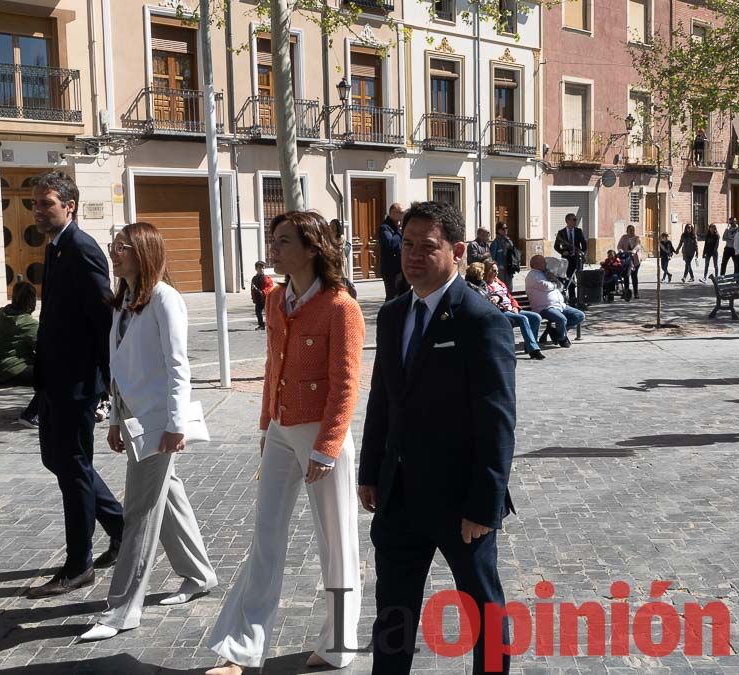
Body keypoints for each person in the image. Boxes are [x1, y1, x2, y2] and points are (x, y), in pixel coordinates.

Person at [359, 200, 516, 675]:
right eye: (407, 245)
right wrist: (370, 472)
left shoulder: (480, 320)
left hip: (460, 502)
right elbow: (382, 400)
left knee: (483, 611)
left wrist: (484, 504)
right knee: (393, 614)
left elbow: (497, 419)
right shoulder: (391, 315)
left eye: (428, 247)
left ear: (458, 250)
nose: (413, 256)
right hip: (399, 496)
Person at [208, 211, 364, 674]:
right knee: (266, 537)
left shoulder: (340, 305)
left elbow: (346, 383)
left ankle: (339, 643)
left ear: (312, 248)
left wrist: (328, 446)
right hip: (279, 429)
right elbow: (272, 367)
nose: (273, 250)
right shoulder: (277, 300)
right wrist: (264, 425)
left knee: (337, 543)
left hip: (322, 436)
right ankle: (239, 650)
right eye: (273, 242)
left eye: (282, 242)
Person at [78, 221, 217, 642]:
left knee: (137, 513)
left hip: (159, 423)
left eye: (122, 247)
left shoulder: (164, 299)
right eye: (114, 246)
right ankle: (198, 574)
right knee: (165, 499)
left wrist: (175, 425)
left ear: (144, 252)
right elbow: (119, 367)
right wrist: (117, 420)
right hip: (136, 420)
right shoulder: (124, 301)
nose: (114, 253)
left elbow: (178, 366)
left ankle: (123, 608)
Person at [26, 171, 125, 599]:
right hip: (54, 380)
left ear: (70, 205)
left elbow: (102, 319)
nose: (37, 209)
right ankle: (120, 526)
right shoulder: (55, 247)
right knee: (61, 461)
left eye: (46, 202)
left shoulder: (82, 248)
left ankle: (79, 564)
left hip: (78, 383)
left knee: (72, 467)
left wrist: (106, 386)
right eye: (34, 203)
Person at [0, 281, 40, 426]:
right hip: (14, 369)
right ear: (31, 301)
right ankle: (30, 415)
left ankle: (43, 409)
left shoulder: (1, 313)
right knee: (52, 377)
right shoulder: (28, 323)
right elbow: (43, 348)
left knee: (45, 374)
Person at [483, 261, 545, 360]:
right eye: (494, 270)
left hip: (512, 309)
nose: (496, 273)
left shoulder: (499, 282)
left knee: (536, 317)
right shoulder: (485, 286)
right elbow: (490, 302)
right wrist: (505, 307)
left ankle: (528, 344)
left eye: (497, 270)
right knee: (523, 319)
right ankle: (533, 350)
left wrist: (515, 307)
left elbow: (510, 297)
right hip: (502, 311)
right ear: (487, 271)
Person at [526, 254, 585, 347]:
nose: (546, 264)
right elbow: (545, 286)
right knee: (561, 319)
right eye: (543, 262)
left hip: (559, 305)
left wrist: (554, 279)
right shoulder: (533, 274)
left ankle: (556, 332)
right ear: (536, 264)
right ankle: (562, 338)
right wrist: (554, 284)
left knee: (579, 315)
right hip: (545, 307)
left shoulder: (546, 273)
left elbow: (561, 286)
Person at [554, 213, 588, 299]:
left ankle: (581, 298)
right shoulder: (561, 233)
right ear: (567, 221)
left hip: (577, 258)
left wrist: (583, 253)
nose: (575, 221)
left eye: (575, 220)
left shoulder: (578, 231)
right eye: (573, 220)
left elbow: (584, 245)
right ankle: (572, 297)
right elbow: (556, 246)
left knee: (580, 278)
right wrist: (562, 251)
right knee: (569, 278)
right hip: (567, 260)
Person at [378, 203, 406, 301]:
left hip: (403, 268)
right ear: (393, 213)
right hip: (391, 270)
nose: (403, 215)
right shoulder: (385, 228)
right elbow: (390, 244)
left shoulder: (402, 228)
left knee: (405, 296)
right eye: (401, 212)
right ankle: (388, 316)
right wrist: (399, 230)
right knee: (392, 297)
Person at [489, 222, 521, 292]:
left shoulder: (509, 241)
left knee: (509, 289)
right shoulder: (495, 243)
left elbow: (513, 254)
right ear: (498, 230)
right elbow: (492, 259)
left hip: (509, 270)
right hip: (501, 271)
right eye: (503, 229)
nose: (506, 230)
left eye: (506, 228)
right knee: (501, 289)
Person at [617, 224, 644, 299]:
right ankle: (626, 292)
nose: (632, 232)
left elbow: (638, 246)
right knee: (626, 275)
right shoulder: (624, 237)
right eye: (630, 230)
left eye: (633, 230)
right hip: (626, 259)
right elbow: (619, 246)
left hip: (635, 259)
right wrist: (621, 251)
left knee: (634, 276)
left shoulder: (637, 238)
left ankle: (636, 293)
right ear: (627, 231)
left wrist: (634, 251)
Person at [250, 261, 273, 330]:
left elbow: (270, 287)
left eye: (263, 268)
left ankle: (271, 325)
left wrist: (263, 292)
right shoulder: (254, 278)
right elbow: (252, 289)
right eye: (259, 268)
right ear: (256, 269)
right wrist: (253, 297)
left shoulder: (267, 278)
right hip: (258, 299)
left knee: (268, 313)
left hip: (266, 298)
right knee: (258, 312)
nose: (261, 269)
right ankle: (261, 325)